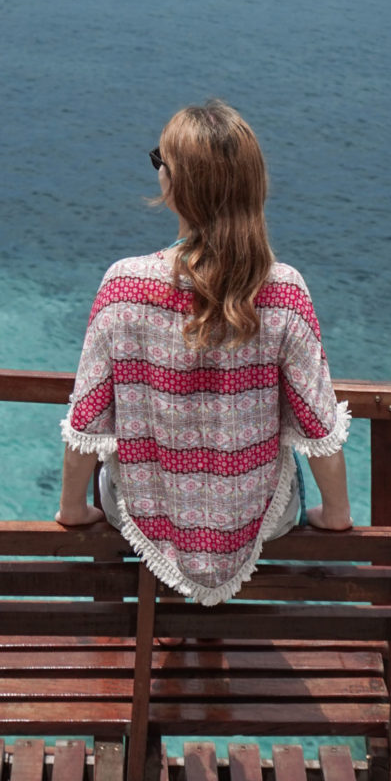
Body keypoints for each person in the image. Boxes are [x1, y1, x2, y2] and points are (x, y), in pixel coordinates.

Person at [56, 99, 353, 603]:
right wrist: (337, 516)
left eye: (160, 162)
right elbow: (318, 427)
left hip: (143, 509)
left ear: (176, 186)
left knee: (117, 475)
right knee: (285, 470)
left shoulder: (122, 285)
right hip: (256, 518)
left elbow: (87, 420)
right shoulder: (286, 291)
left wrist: (72, 510)